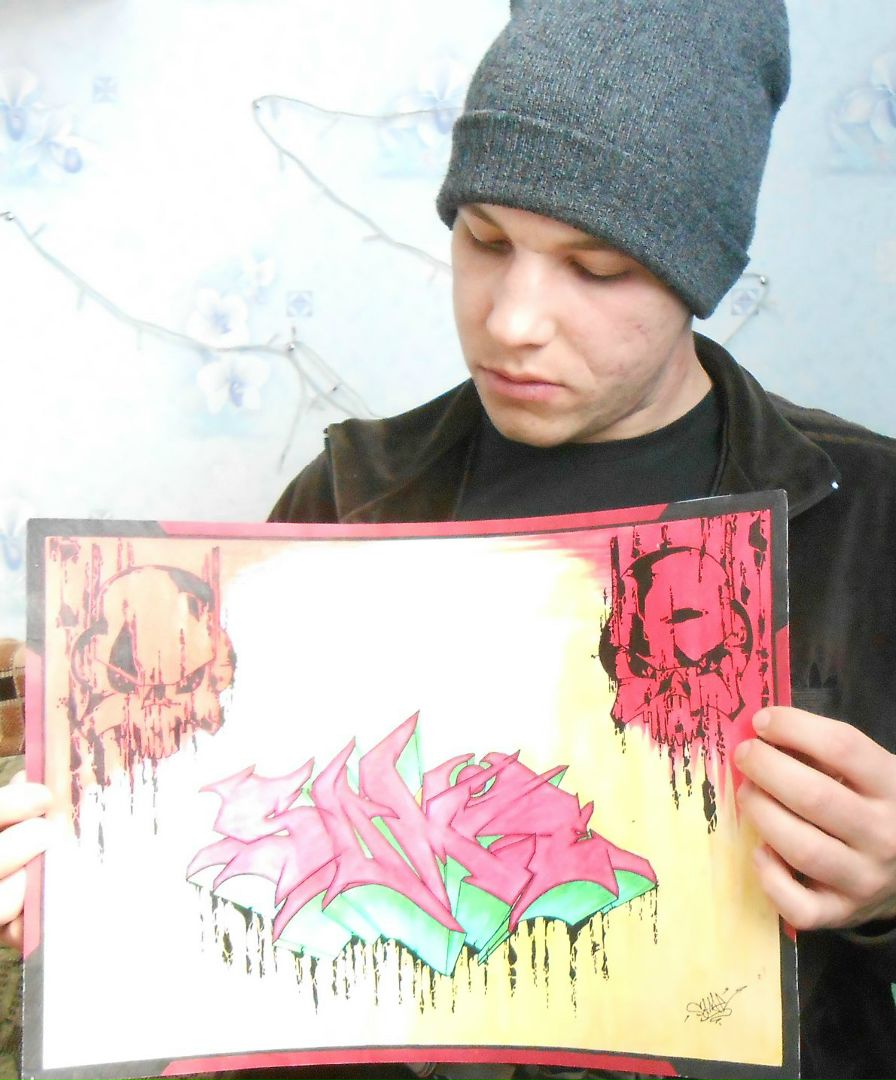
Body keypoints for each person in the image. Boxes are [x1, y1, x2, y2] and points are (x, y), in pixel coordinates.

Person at [4, 2, 896, 1079]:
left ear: (696, 275)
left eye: (596, 268)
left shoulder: (867, 512)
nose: (512, 320)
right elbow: (245, 876)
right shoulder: (344, 500)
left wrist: (891, 890)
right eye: (484, 241)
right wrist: (93, 886)